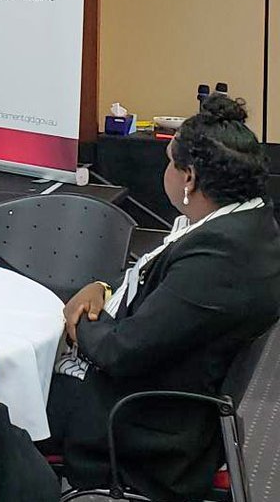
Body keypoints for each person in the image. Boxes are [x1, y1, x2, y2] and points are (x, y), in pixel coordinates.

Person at [47, 95, 280, 500]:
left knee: (2, 400)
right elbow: (154, 281)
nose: (166, 170)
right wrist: (100, 289)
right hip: (169, 398)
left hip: (144, 426)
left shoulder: (217, 260)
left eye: (170, 161)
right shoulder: (247, 225)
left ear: (188, 177)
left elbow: (122, 351)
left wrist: (79, 319)